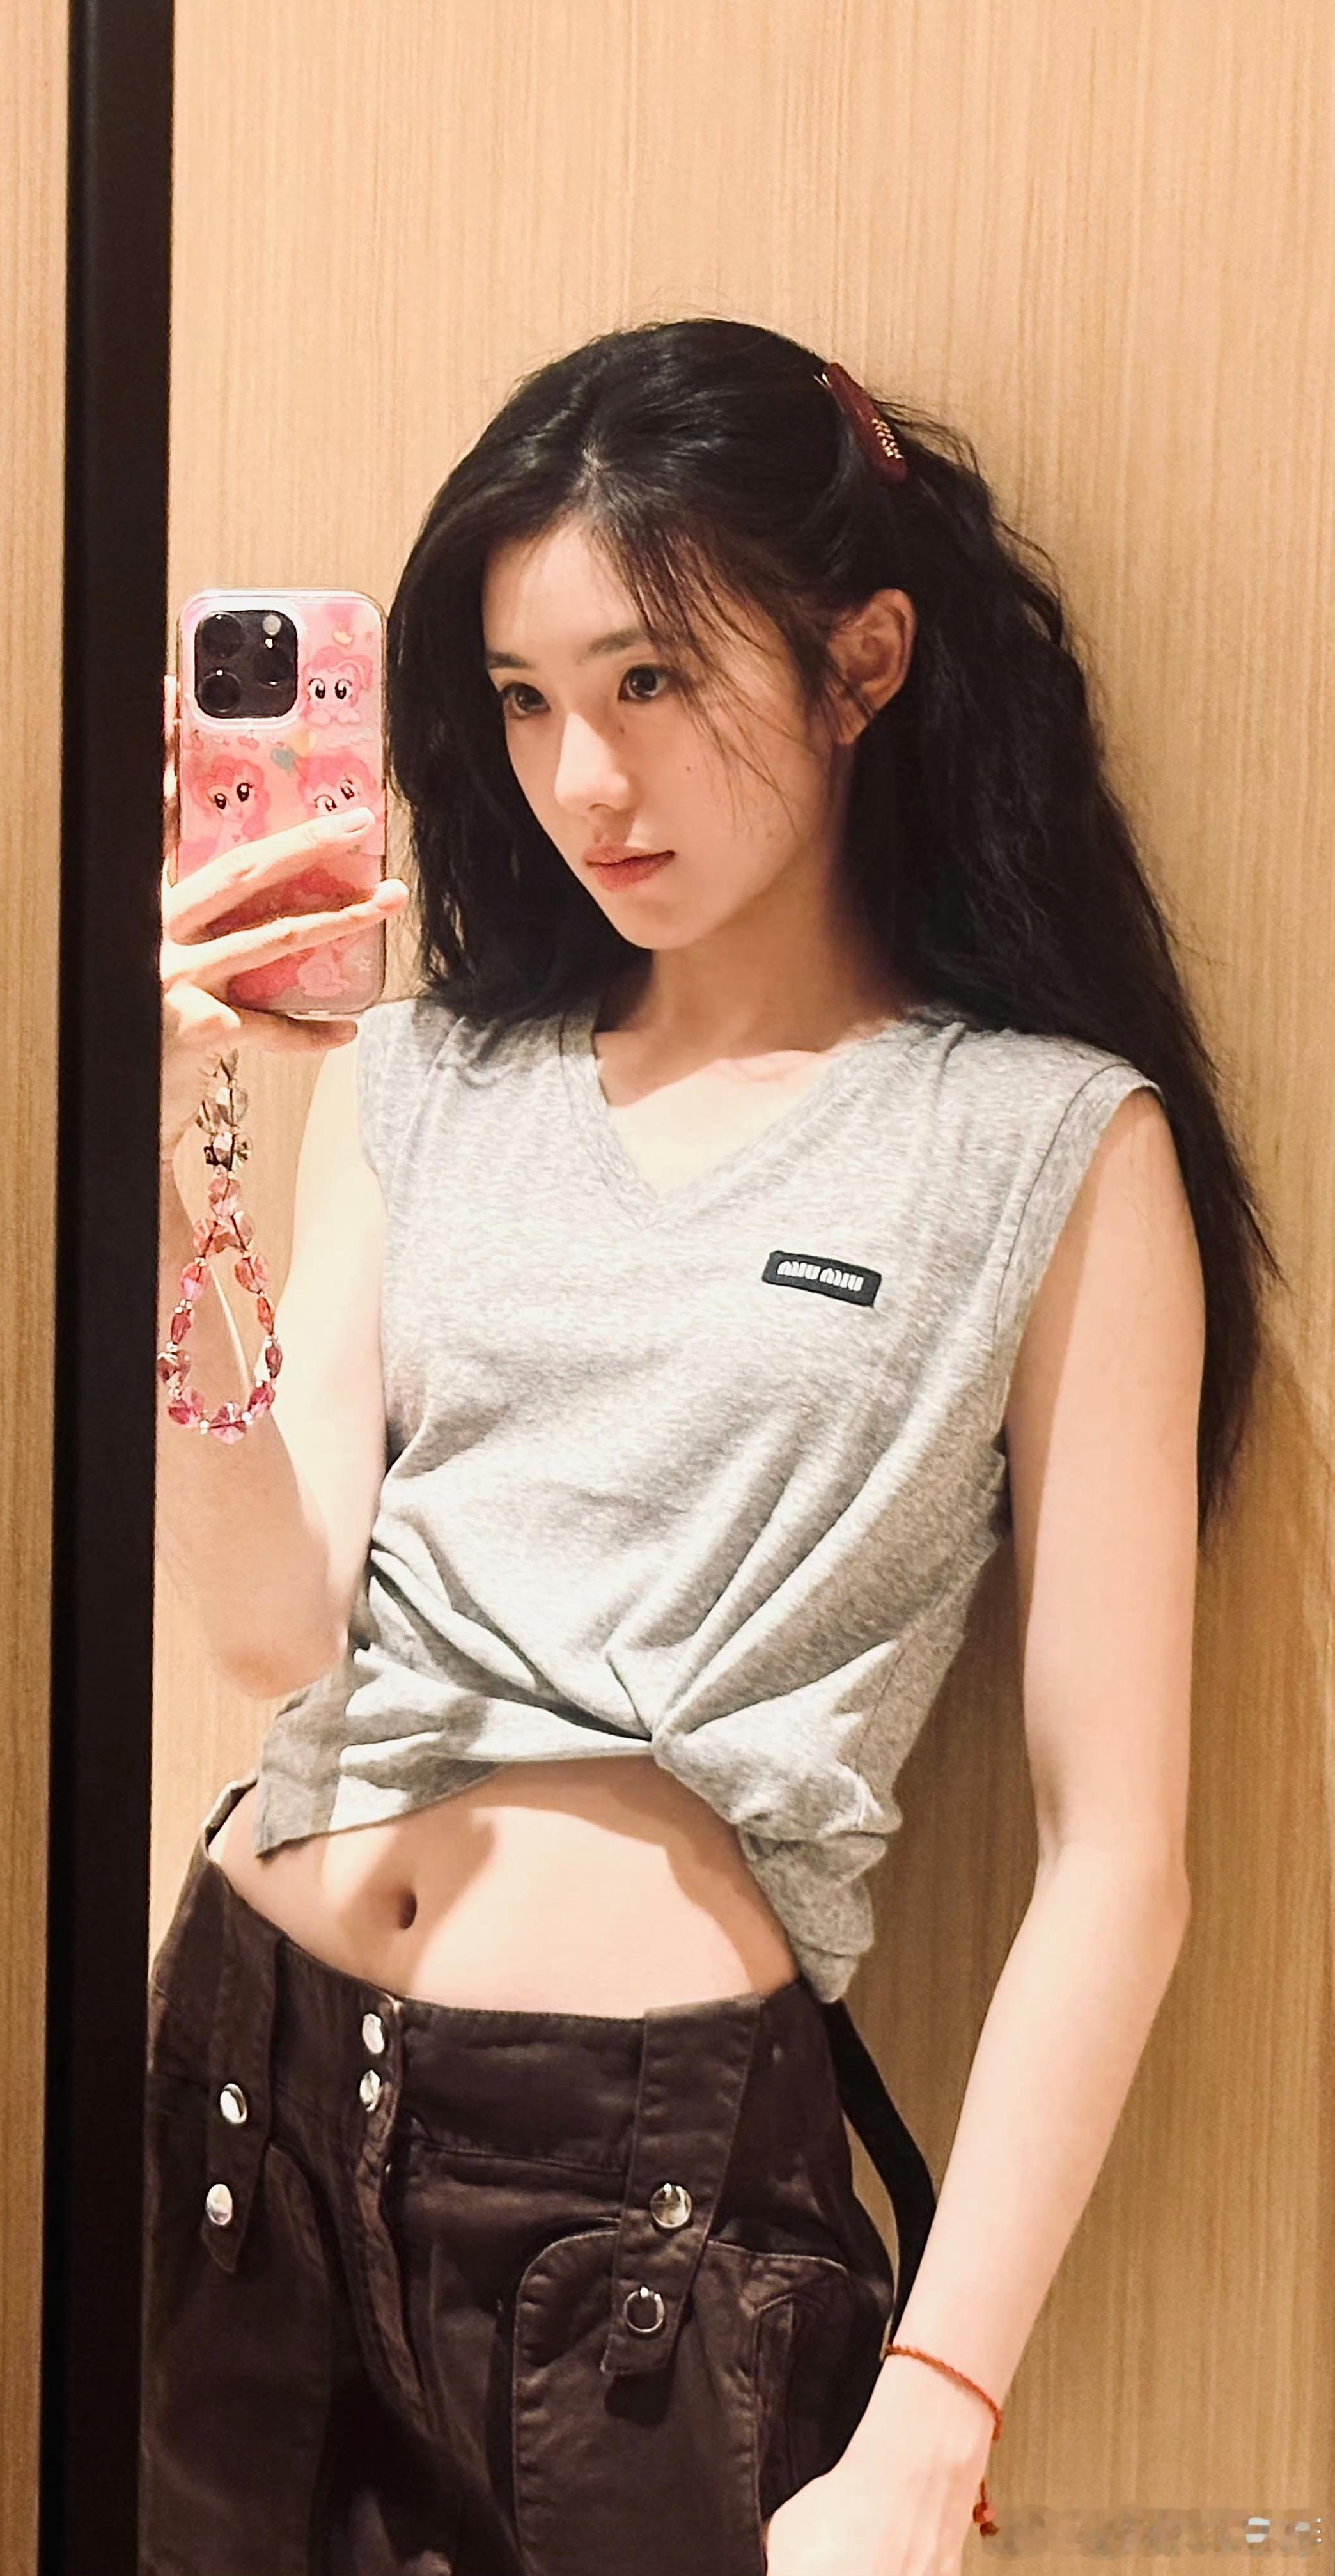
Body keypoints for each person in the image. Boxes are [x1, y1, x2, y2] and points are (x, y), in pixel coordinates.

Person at [143, 320, 1275, 2576]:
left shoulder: (1045, 1148)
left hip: (636, 2214)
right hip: (238, 2111)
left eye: (650, 679)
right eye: (523, 698)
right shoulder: (422, 1081)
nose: (584, 779)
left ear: (865, 664)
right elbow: (278, 1636)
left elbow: (1119, 1853)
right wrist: (165, 1176)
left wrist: (936, 2418)